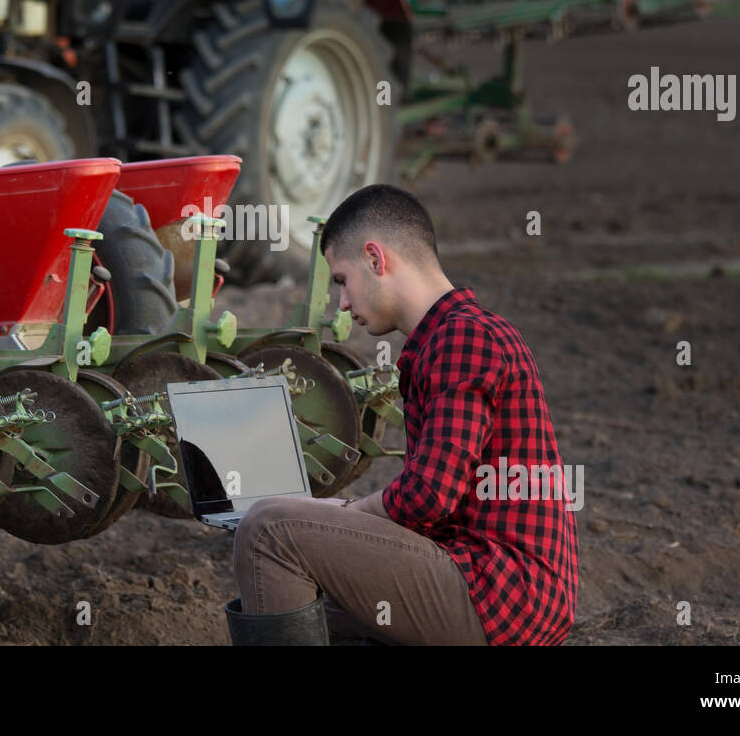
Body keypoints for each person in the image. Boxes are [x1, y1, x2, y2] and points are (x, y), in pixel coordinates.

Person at [223, 184, 579, 645]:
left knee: (269, 529)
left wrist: (342, 510)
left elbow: (428, 497)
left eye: (341, 280)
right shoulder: (452, 337)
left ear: (376, 259)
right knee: (319, 611)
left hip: (500, 592)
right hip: (487, 582)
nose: (343, 304)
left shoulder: (464, 338)